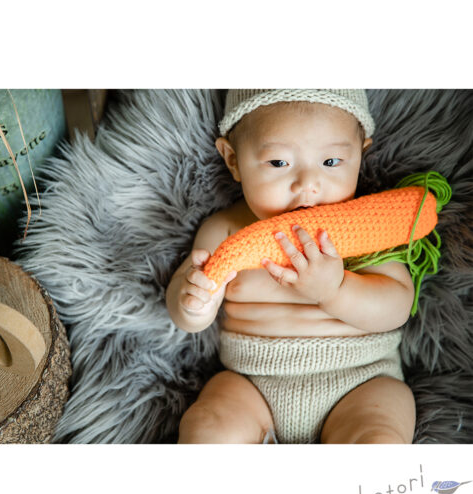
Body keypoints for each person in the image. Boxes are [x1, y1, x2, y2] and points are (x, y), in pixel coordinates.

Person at [165, 89, 416, 444]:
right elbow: (190, 315)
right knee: (208, 427)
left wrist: (335, 291)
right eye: (279, 163)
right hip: (252, 385)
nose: (307, 185)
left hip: (361, 381)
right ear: (233, 159)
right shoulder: (223, 230)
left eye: (331, 162)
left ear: (360, 155)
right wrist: (191, 303)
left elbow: (397, 307)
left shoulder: (370, 227)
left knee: (379, 439)